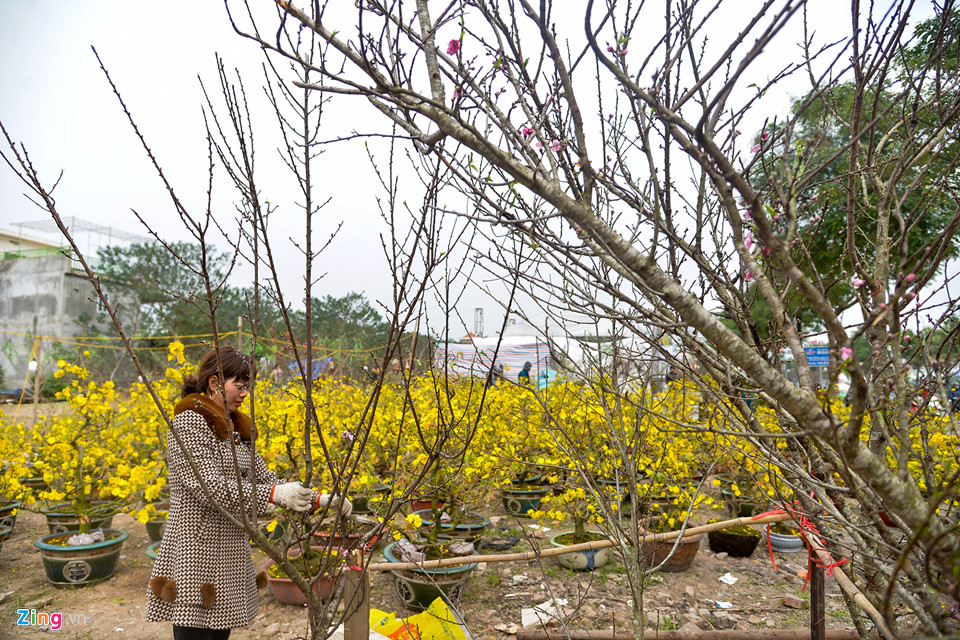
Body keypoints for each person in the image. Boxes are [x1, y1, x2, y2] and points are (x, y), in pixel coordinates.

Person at [147, 346, 350, 640]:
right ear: (215, 383)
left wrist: (318, 499)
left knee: (219, 634)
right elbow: (210, 487)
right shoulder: (189, 423)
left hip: (229, 547)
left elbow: (267, 479)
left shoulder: (236, 430)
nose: (245, 394)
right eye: (239, 385)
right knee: (195, 632)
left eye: (248, 386)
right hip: (198, 548)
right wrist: (275, 494)